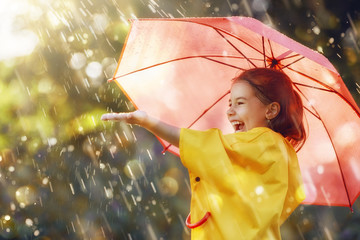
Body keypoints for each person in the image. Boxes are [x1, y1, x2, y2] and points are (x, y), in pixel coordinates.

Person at [101, 68, 306, 240]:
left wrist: (148, 122)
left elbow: (203, 144)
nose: (230, 111)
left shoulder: (265, 141)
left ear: (271, 111)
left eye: (240, 103)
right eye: (230, 104)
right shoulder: (281, 152)